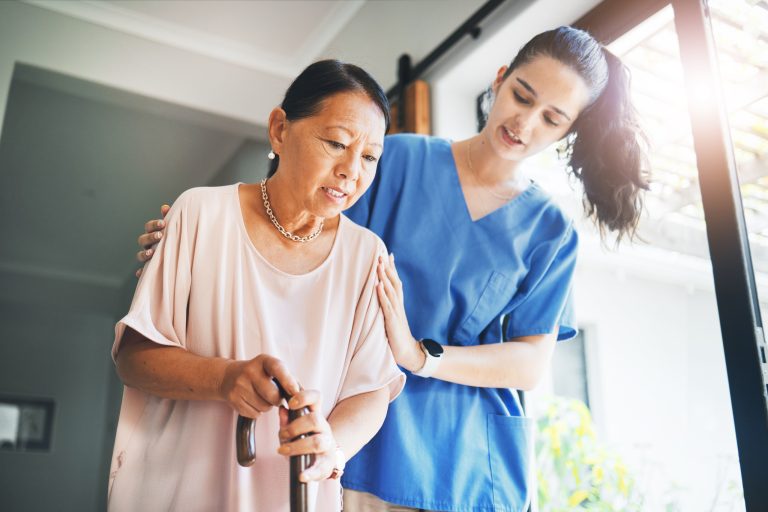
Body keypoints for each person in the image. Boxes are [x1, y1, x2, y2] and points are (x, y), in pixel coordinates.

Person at [136, 27, 648, 512]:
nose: (525, 123)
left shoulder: (551, 230)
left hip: (474, 466)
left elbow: (530, 365)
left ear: (569, 129)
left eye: (553, 119)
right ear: (499, 79)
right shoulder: (395, 160)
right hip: (363, 441)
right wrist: (199, 239)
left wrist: (418, 355)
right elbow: (303, 228)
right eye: (522, 95)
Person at [109, 59, 405, 512]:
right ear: (280, 130)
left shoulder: (368, 257)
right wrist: (225, 378)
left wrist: (333, 446)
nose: (351, 171)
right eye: (336, 143)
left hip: (294, 496)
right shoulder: (199, 214)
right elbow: (133, 359)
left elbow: (371, 391)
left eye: (369, 157)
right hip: (179, 489)